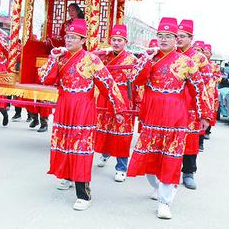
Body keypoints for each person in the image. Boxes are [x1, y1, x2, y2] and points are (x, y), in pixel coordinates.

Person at [127, 17, 211, 220]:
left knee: (171, 159)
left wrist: (204, 115)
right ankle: (159, 187)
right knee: (148, 157)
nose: (163, 40)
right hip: (152, 114)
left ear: (176, 39)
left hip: (175, 116)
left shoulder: (187, 62)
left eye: (169, 36)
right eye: (160, 36)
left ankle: (165, 202)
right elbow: (135, 79)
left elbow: (199, 89)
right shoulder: (151, 58)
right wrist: (146, 58)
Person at [38, 18, 126, 211]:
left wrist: (118, 109)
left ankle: (83, 193)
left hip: (83, 108)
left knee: (81, 147)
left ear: (82, 39)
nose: (68, 41)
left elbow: (108, 84)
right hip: (64, 106)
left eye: (73, 37)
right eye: (67, 37)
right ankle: (67, 176)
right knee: (65, 144)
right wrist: (52, 57)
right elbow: (45, 78)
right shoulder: (60, 57)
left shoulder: (92, 59)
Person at [95, 24, 140, 182]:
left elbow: (137, 84)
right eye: (114, 39)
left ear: (125, 41)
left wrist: (138, 101)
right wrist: (101, 52)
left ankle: (121, 167)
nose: (116, 43)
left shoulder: (132, 59)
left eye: (119, 40)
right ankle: (105, 154)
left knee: (122, 133)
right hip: (105, 96)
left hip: (123, 97)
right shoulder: (104, 57)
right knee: (105, 128)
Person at [176, 19, 213, 190]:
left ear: (191, 37)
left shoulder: (200, 59)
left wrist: (206, 113)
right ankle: (169, 172)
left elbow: (208, 86)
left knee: (190, 140)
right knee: (171, 138)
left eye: (182, 36)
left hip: (191, 106)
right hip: (172, 105)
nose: (179, 39)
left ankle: (189, 172)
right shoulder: (170, 54)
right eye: (177, 36)